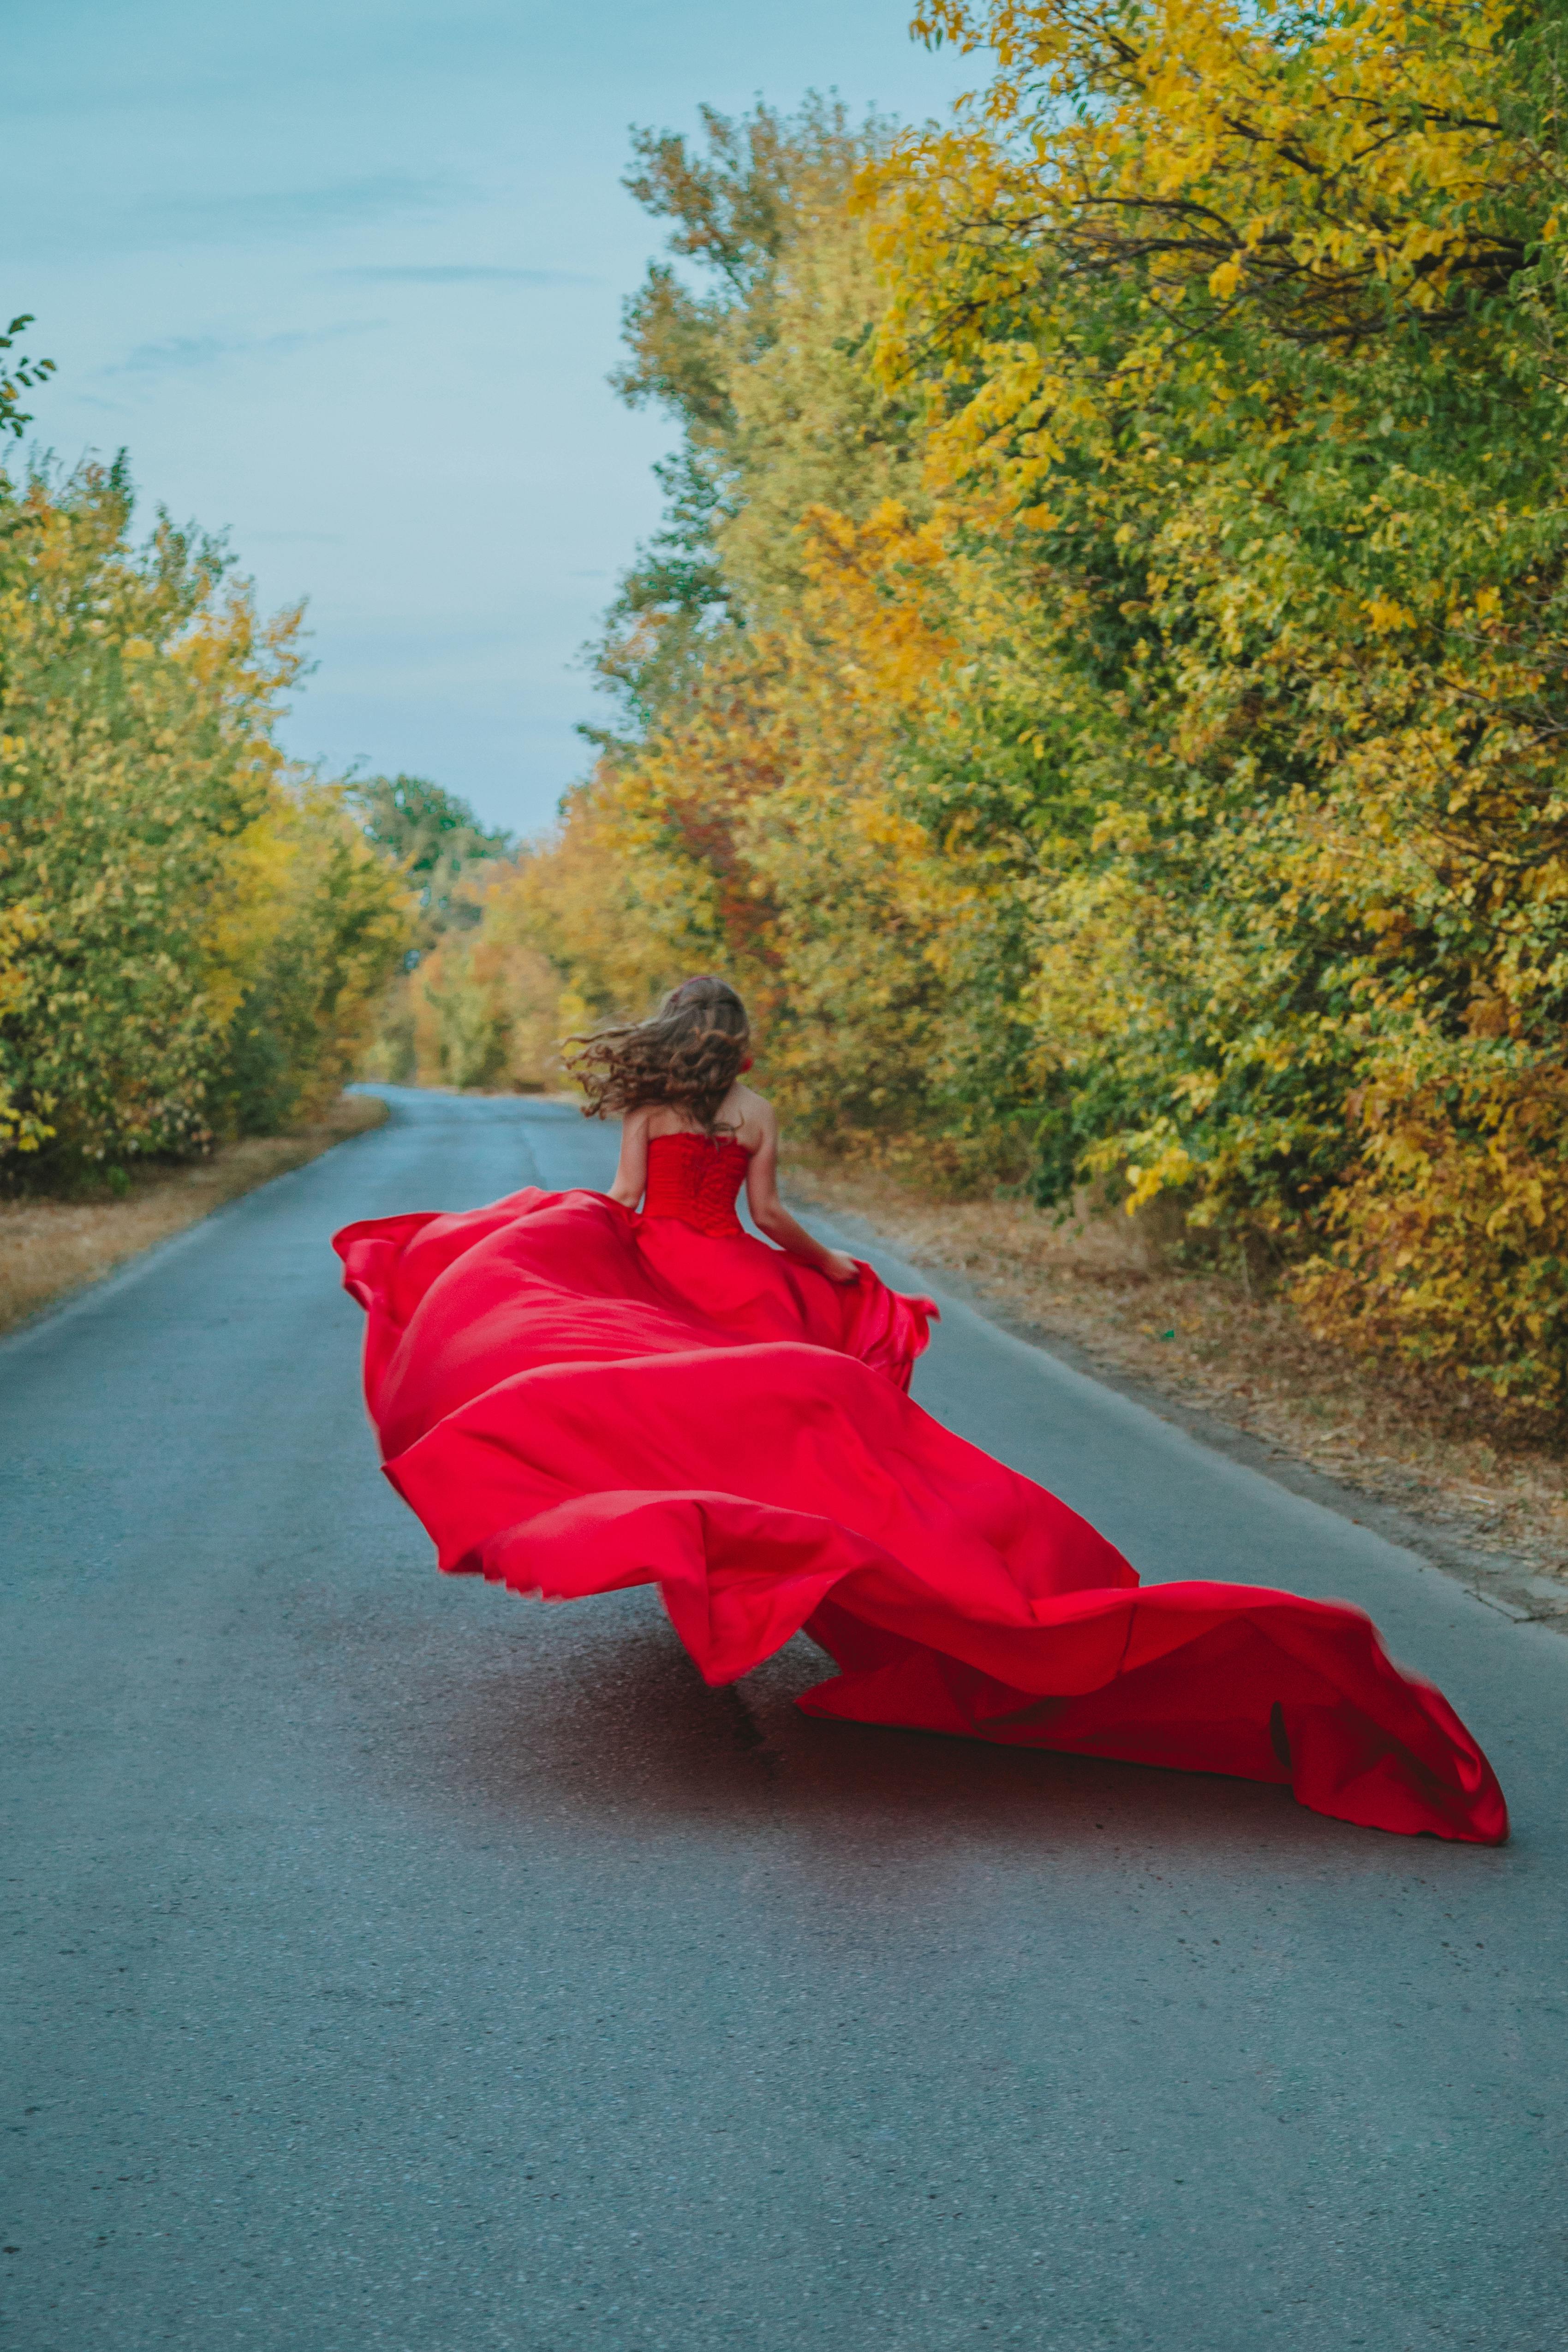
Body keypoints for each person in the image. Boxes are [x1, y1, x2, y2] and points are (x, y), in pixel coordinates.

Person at [333, 975, 1506, 1846]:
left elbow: (629, 1205)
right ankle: (805, 1556)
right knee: (790, 1424)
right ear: (731, 1043)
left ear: (667, 1040)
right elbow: (775, 1220)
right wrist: (837, 1268)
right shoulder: (752, 1109)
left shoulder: (647, 1114)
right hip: (743, 1275)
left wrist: (587, 1250)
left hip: (670, 1268)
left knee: (663, 1404)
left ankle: (723, 1543)